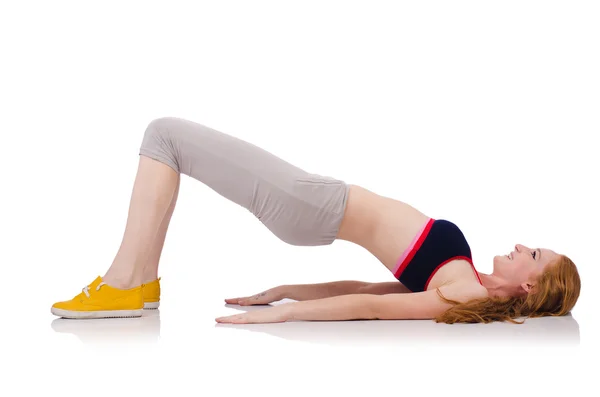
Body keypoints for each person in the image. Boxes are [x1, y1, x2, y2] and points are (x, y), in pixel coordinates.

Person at [50, 117, 581, 324]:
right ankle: (139, 285)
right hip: (316, 202)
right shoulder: (468, 284)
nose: (521, 245)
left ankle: (123, 282)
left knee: (164, 135)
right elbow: (368, 285)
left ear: (532, 284)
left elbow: (370, 308)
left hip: (311, 205)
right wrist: (283, 290)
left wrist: (279, 318)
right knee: (168, 140)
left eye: (533, 254)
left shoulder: (465, 294)